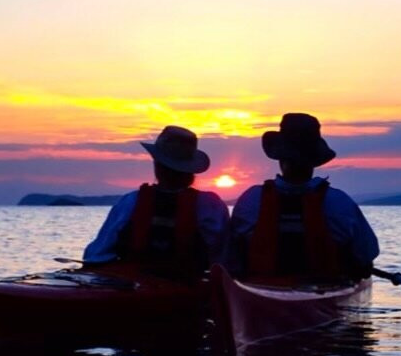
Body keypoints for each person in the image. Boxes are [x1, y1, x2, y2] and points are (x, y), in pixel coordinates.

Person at [230, 113, 379, 282]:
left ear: (280, 156)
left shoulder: (250, 200)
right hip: (324, 292)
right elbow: (365, 259)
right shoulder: (340, 202)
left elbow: (231, 259)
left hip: (258, 291)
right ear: (315, 159)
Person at [83, 126, 229, 280]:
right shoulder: (212, 207)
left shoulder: (130, 202)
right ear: (191, 170)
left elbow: (96, 254)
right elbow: (225, 260)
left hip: (134, 287)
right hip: (187, 287)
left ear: (157, 165)